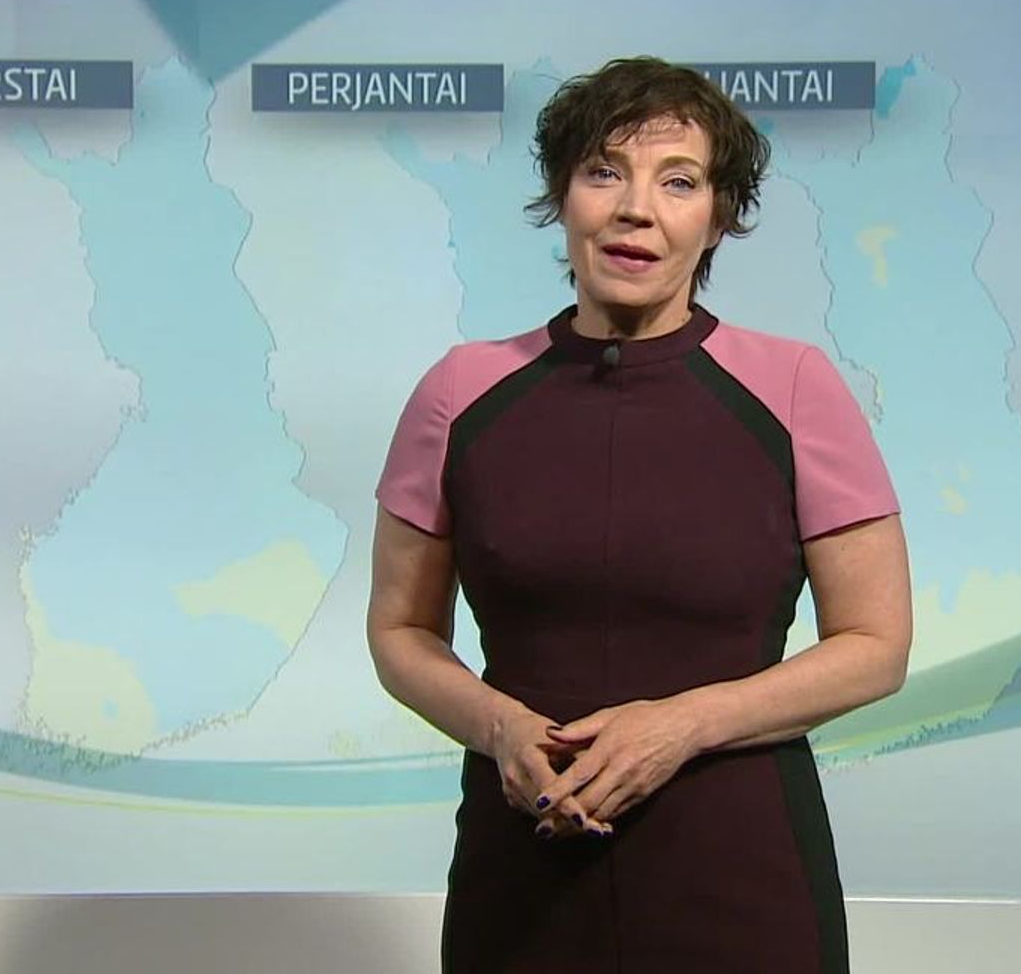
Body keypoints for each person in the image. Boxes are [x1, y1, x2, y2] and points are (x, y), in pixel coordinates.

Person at [366, 57, 914, 972]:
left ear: (719, 217)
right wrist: (498, 727)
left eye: (679, 182)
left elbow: (876, 645)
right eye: (604, 171)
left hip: (741, 872)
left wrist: (683, 725)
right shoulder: (459, 393)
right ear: (562, 195)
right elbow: (399, 630)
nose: (635, 209)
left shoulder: (795, 388)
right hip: (523, 870)